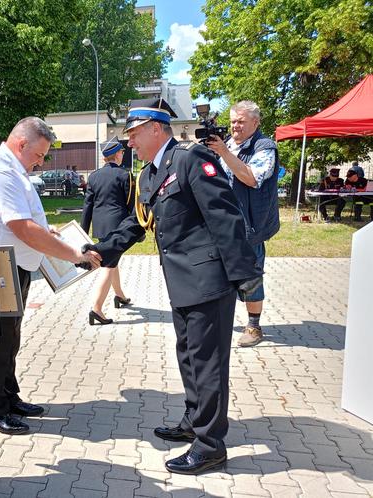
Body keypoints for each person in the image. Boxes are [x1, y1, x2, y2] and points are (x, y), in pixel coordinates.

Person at [86, 100, 262, 475]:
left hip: (209, 280)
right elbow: (137, 224)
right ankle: (193, 422)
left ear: (155, 128)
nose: (129, 142)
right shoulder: (150, 174)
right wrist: (101, 251)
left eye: (133, 134)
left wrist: (246, 276)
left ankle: (210, 445)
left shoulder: (191, 158)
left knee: (208, 363)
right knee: (188, 356)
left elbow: (224, 215)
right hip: (181, 280)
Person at [0, 117, 101, 435]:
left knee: (10, 337)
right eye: (38, 155)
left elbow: (27, 219)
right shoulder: (1, 170)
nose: (40, 163)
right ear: (21, 143)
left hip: (14, 264)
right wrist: (73, 255)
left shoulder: (14, 167)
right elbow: (20, 228)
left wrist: (49, 231)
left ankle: (8, 397)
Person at [205, 100, 280, 348]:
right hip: (220, 223)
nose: (235, 126)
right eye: (233, 121)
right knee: (218, 274)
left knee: (251, 276)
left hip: (250, 225)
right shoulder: (225, 144)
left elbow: (251, 178)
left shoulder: (264, 147)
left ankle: (254, 326)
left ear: (255, 122)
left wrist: (223, 153)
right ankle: (220, 320)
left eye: (241, 121)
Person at [80, 135, 134, 325]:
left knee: (112, 261)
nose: (122, 154)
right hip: (119, 228)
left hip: (101, 227)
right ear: (116, 154)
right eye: (121, 151)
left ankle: (120, 296)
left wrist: (83, 232)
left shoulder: (94, 176)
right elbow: (131, 204)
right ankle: (96, 308)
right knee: (108, 265)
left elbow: (87, 207)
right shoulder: (125, 175)